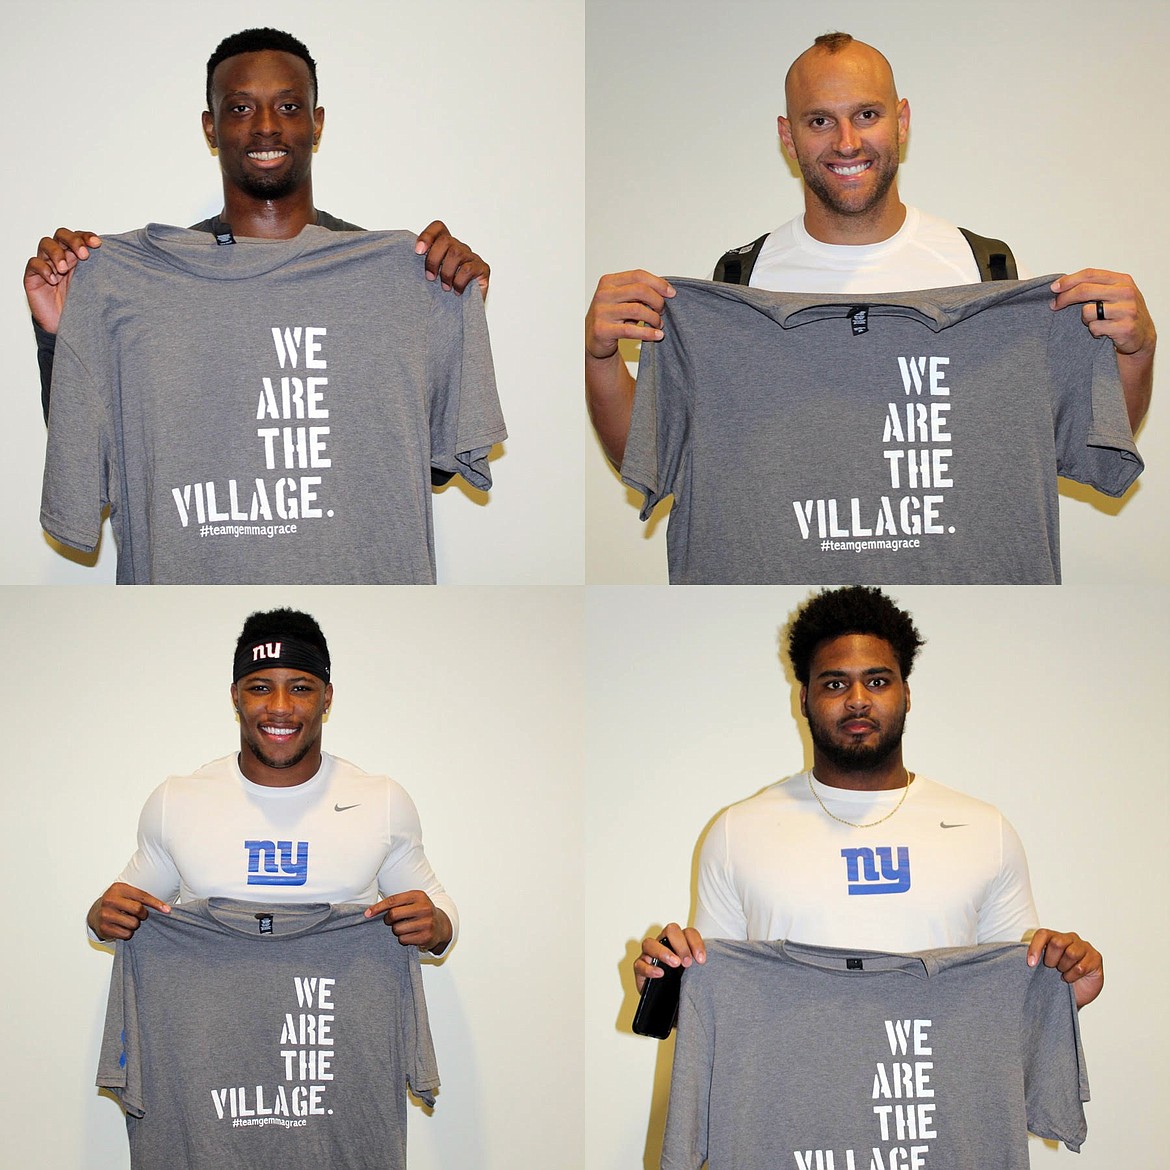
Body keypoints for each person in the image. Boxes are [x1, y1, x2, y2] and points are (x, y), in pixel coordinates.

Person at [586, 32, 1155, 469]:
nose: (847, 142)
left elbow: (1079, 441)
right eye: (819, 121)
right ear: (788, 137)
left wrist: (1137, 352)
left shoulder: (992, 272)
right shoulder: (738, 284)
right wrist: (603, 358)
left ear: (900, 122)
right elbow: (653, 455)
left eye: (867, 114)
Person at [634, 586, 1103, 1011]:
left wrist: (1065, 991)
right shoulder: (738, 831)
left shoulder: (984, 829)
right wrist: (667, 986)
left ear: (907, 694)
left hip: (932, 1100)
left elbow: (1011, 1003)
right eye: (835, 683)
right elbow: (719, 1006)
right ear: (804, 700)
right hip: (795, 1102)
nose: (858, 699)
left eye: (877, 681)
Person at [24, 26, 490, 424]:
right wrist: (61, 335)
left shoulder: (389, 275)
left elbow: (433, 467)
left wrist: (448, 315)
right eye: (241, 108)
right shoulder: (154, 284)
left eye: (288, 106)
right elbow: (90, 447)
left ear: (317, 123)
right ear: (211, 128)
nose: (266, 126)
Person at [87, 607, 454, 955]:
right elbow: (117, 914)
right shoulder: (178, 801)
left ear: (326, 698)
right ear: (236, 697)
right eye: (260, 687)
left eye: (300, 688)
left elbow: (438, 914)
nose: (279, 706)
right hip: (215, 1019)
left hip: (330, 1018)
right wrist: (99, 918)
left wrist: (436, 925)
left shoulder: (380, 801)